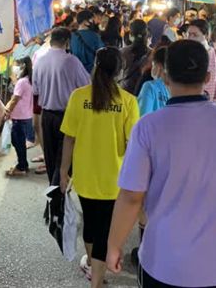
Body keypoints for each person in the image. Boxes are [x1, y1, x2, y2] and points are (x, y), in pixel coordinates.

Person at [107, 40, 216, 288]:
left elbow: (132, 197)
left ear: (165, 77)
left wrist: (114, 245)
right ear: (208, 76)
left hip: (164, 261)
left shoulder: (148, 127)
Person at [59, 47, 139, 287]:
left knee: (91, 225)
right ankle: (97, 279)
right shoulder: (127, 102)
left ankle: (94, 271)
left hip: (84, 176)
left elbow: (69, 138)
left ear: (94, 66)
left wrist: (63, 171)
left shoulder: (79, 97)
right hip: (114, 178)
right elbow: (132, 144)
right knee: (105, 230)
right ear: (119, 71)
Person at [33, 27, 91, 184]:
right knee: (65, 161)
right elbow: (86, 85)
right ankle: (59, 200)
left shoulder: (39, 60)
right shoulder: (71, 61)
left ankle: (53, 198)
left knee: (51, 159)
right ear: (67, 42)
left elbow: (36, 90)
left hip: (47, 116)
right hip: (67, 116)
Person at [184, 20, 216, 109]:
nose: (190, 38)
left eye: (195, 35)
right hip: (193, 108)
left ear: (206, 35)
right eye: (188, 34)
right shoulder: (184, 56)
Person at [4, 57, 35, 177]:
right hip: (26, 115)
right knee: (19, 142)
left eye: (16, 66)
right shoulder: (29, 80)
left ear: (22, 67)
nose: (14, 69)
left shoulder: (22, 82)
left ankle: (22, 167)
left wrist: (7, 111)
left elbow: (14, 99)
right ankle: (22, 164)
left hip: (19, 117)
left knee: (18, 142)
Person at [119, 19, 151, 95]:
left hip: (125, 92)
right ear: (146, 34)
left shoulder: (122, 52)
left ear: (131, 34)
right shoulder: (152, 54)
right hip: (144, 93)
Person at [137, 46, 169, 116]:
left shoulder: (150, 87)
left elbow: (143, 117)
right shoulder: (178, 89)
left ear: (159, 66)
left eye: (153, 65)